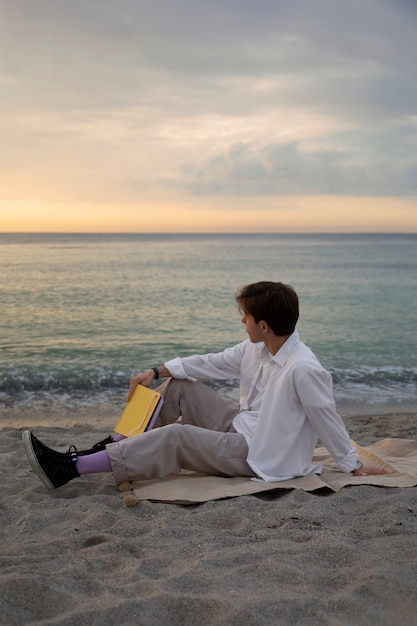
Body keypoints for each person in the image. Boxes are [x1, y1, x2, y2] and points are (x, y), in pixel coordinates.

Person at [23, 281, 387, 491]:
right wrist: (156, 370)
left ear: (263, 325)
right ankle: (105, 447)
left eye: (245, 316)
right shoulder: (256, 348)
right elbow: (211, 362)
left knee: (175, 438)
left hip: (258, 452)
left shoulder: (303, 368)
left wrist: (352, 464)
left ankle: (69, 469)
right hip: (241, 425)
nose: (240, 320)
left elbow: (326, 416)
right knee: (179, 386)